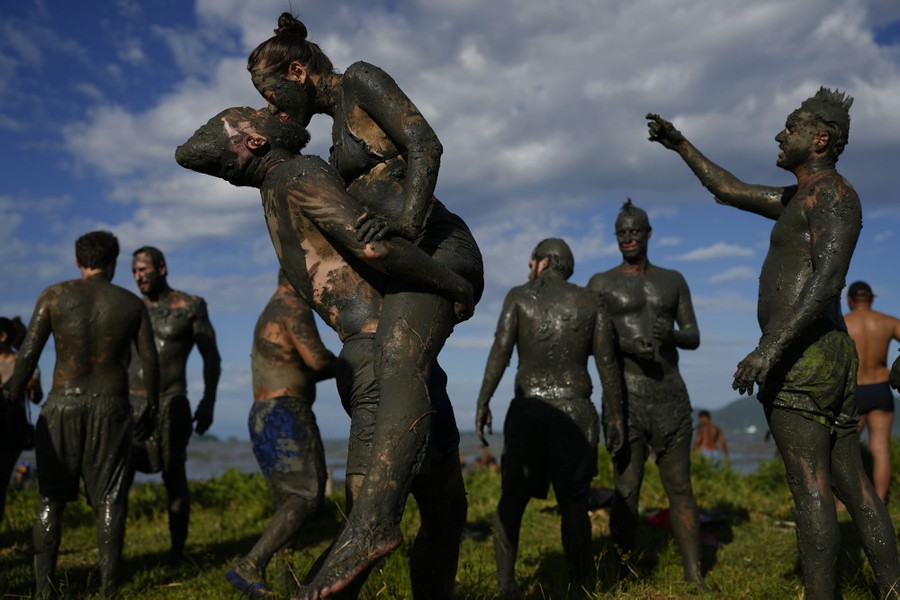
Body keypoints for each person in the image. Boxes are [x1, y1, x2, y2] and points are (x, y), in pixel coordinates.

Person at [176, 105, 475, 599]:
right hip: (383, 359)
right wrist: (453, 283)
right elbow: (374, 248)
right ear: (251, 141)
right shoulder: (300, 173)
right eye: (255, 113)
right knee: (364, 530)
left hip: (384, 357)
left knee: (446, 513)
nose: (269, 110)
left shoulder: (273, 197)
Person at [246, 16, 484, 597]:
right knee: (440, 487)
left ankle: (373, 527)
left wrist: (408, 222)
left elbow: (425, 141)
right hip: (409, 271)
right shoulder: (327, 139)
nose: (275, 107)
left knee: (399, 355)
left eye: (273, 91)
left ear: (298, 70)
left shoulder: (360, 78)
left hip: (440, 246)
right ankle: (377, 533)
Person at [647, 87, 900, 598]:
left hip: (805, 357)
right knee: (853, 485)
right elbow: (729, 188)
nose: (779, 134)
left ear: (821, 139)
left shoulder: (832, 194)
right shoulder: (797, 198)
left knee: (811, 491)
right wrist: (681, 145)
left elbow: (829, 280)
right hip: (818, 355)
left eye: (791, 126)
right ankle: (892, 589)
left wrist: (769, 349)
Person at [3, 231, 159, 598]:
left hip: (61, 407)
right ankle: (108, 589)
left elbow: (27, 355)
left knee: (50, 499)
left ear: (78, 261)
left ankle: (44, 589)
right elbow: (149, 362)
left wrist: (10, 396)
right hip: (111, 406)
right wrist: (150, 404)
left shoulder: (54, 296)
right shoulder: (130, 304)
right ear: (114, 263)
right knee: (110, 500)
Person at [475, 239, 624, 595]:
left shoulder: (519, 296)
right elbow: (608, 365)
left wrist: (483, 399)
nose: (530, 269)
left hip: (529, 410)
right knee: (574, 501)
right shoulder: (591, 301)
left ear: (544, 262)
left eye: (532, 263)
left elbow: (500, 350)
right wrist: (616, 417)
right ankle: (580, 586)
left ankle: (506, 586)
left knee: (512, 497)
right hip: (575, 410)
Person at [587, 200, 706, 588]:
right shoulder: (601, 284)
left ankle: (694, 575)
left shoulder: (673, 280)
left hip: (670, 392)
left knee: (680, 487)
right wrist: (624, 345)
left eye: (635, 231)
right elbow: (590, 342)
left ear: (649, 233)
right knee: (626, 488)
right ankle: (623, 574)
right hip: (626, 396)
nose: (629, 239)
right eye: (622, 233)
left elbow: (693, 335)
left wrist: (671, 335)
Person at [226, 270, 337, 597]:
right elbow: (316, 361)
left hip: (262, 415)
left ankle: (288, 588)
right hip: (286, 414)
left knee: (287, 506)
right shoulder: (292, 304)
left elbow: (294, 366)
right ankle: (250, 564)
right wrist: (353, 361)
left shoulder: (269, 308)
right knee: (307, 497)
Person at [127, 245, 221, 567]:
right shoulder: (129, 309)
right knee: (120, 479)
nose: (139, 276)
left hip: (172, 402)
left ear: (162, 268)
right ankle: (116, 556)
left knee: (175, 478)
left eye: (144, 270)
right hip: (132, 404)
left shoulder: (190, 306)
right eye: (135, 272)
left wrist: (208, 401)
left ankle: (177, 554)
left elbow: (212, 357)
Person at [844, 280, 900, 501]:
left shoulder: (842, 323)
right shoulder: (887, 322)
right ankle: (880, 499)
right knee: (881, 448)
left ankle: (844, 502)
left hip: (853, 391)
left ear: (850, 300)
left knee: (846, 450)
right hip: (880, 388)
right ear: (871, 298)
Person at [0, 316, 43, 521]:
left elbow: (37, 398)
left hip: (11, 432)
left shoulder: (24, 364)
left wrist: (32, 388)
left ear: (3, 336)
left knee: (1, 481)